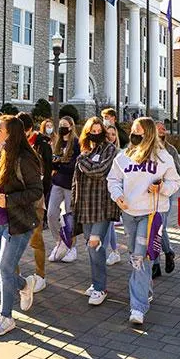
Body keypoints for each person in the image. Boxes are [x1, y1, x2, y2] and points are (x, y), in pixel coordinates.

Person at [0, 115, 44, 336]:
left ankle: (5, 317)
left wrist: (9, 200)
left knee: (4, 269)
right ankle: (24, 285)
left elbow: (36, 191)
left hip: (19, 223)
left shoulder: (24, 158)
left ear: (11, 133)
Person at [107, 117, 180, 325]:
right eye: (132, 130)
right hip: (129, 212)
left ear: (148, 133)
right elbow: (112, 180)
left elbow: (175, 181)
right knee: (135, 255)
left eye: (138, 131)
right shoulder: (124, 156)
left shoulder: (163, 157)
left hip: (150, 213)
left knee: (140, 257)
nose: (134, 134)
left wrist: (162, 188)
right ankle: (145, 288)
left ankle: (137, 307)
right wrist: (117, 195)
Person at [71, 117, 120, 305]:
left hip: (102, 205)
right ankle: (96, 282)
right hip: (85, 205)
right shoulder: (85, 150)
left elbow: (100, 171)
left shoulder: (110, 150)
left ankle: (100, 287)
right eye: (93, 130)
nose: (96, 133)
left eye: (100, 130)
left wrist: (82, 160)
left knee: (94, 244)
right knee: (91, 247)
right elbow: (77, 179)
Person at [17, 112, 50, 292]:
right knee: (12, 242)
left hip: (35, 201)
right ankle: (13, 276)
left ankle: (40, 275)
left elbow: (46, 173)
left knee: (36, 240)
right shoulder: (10, 146)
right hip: (15, 202)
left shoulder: (41, 145)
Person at [48, 115, 80, 263]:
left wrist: (59, 165)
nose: (62, 127)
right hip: (57, 183)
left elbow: (74, 165)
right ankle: (59, 242)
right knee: (51, 214)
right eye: (60, 124)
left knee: (69, 217)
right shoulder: (58, 142)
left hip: (70, 185)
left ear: (71, 126)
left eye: (65, 124)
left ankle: (72, 247)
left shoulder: (76, 143)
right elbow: (53, 160)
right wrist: (55, 164)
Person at [152, 120, 180, 278]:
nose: (162, 130)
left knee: (159, 227)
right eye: (158, 128)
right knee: (152, 228)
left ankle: (167, 252)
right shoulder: (147, 148)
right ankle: (156, 263)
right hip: (148, 194)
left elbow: (176, 171)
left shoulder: (171, 150)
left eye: (164, 128)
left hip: (164, 193)